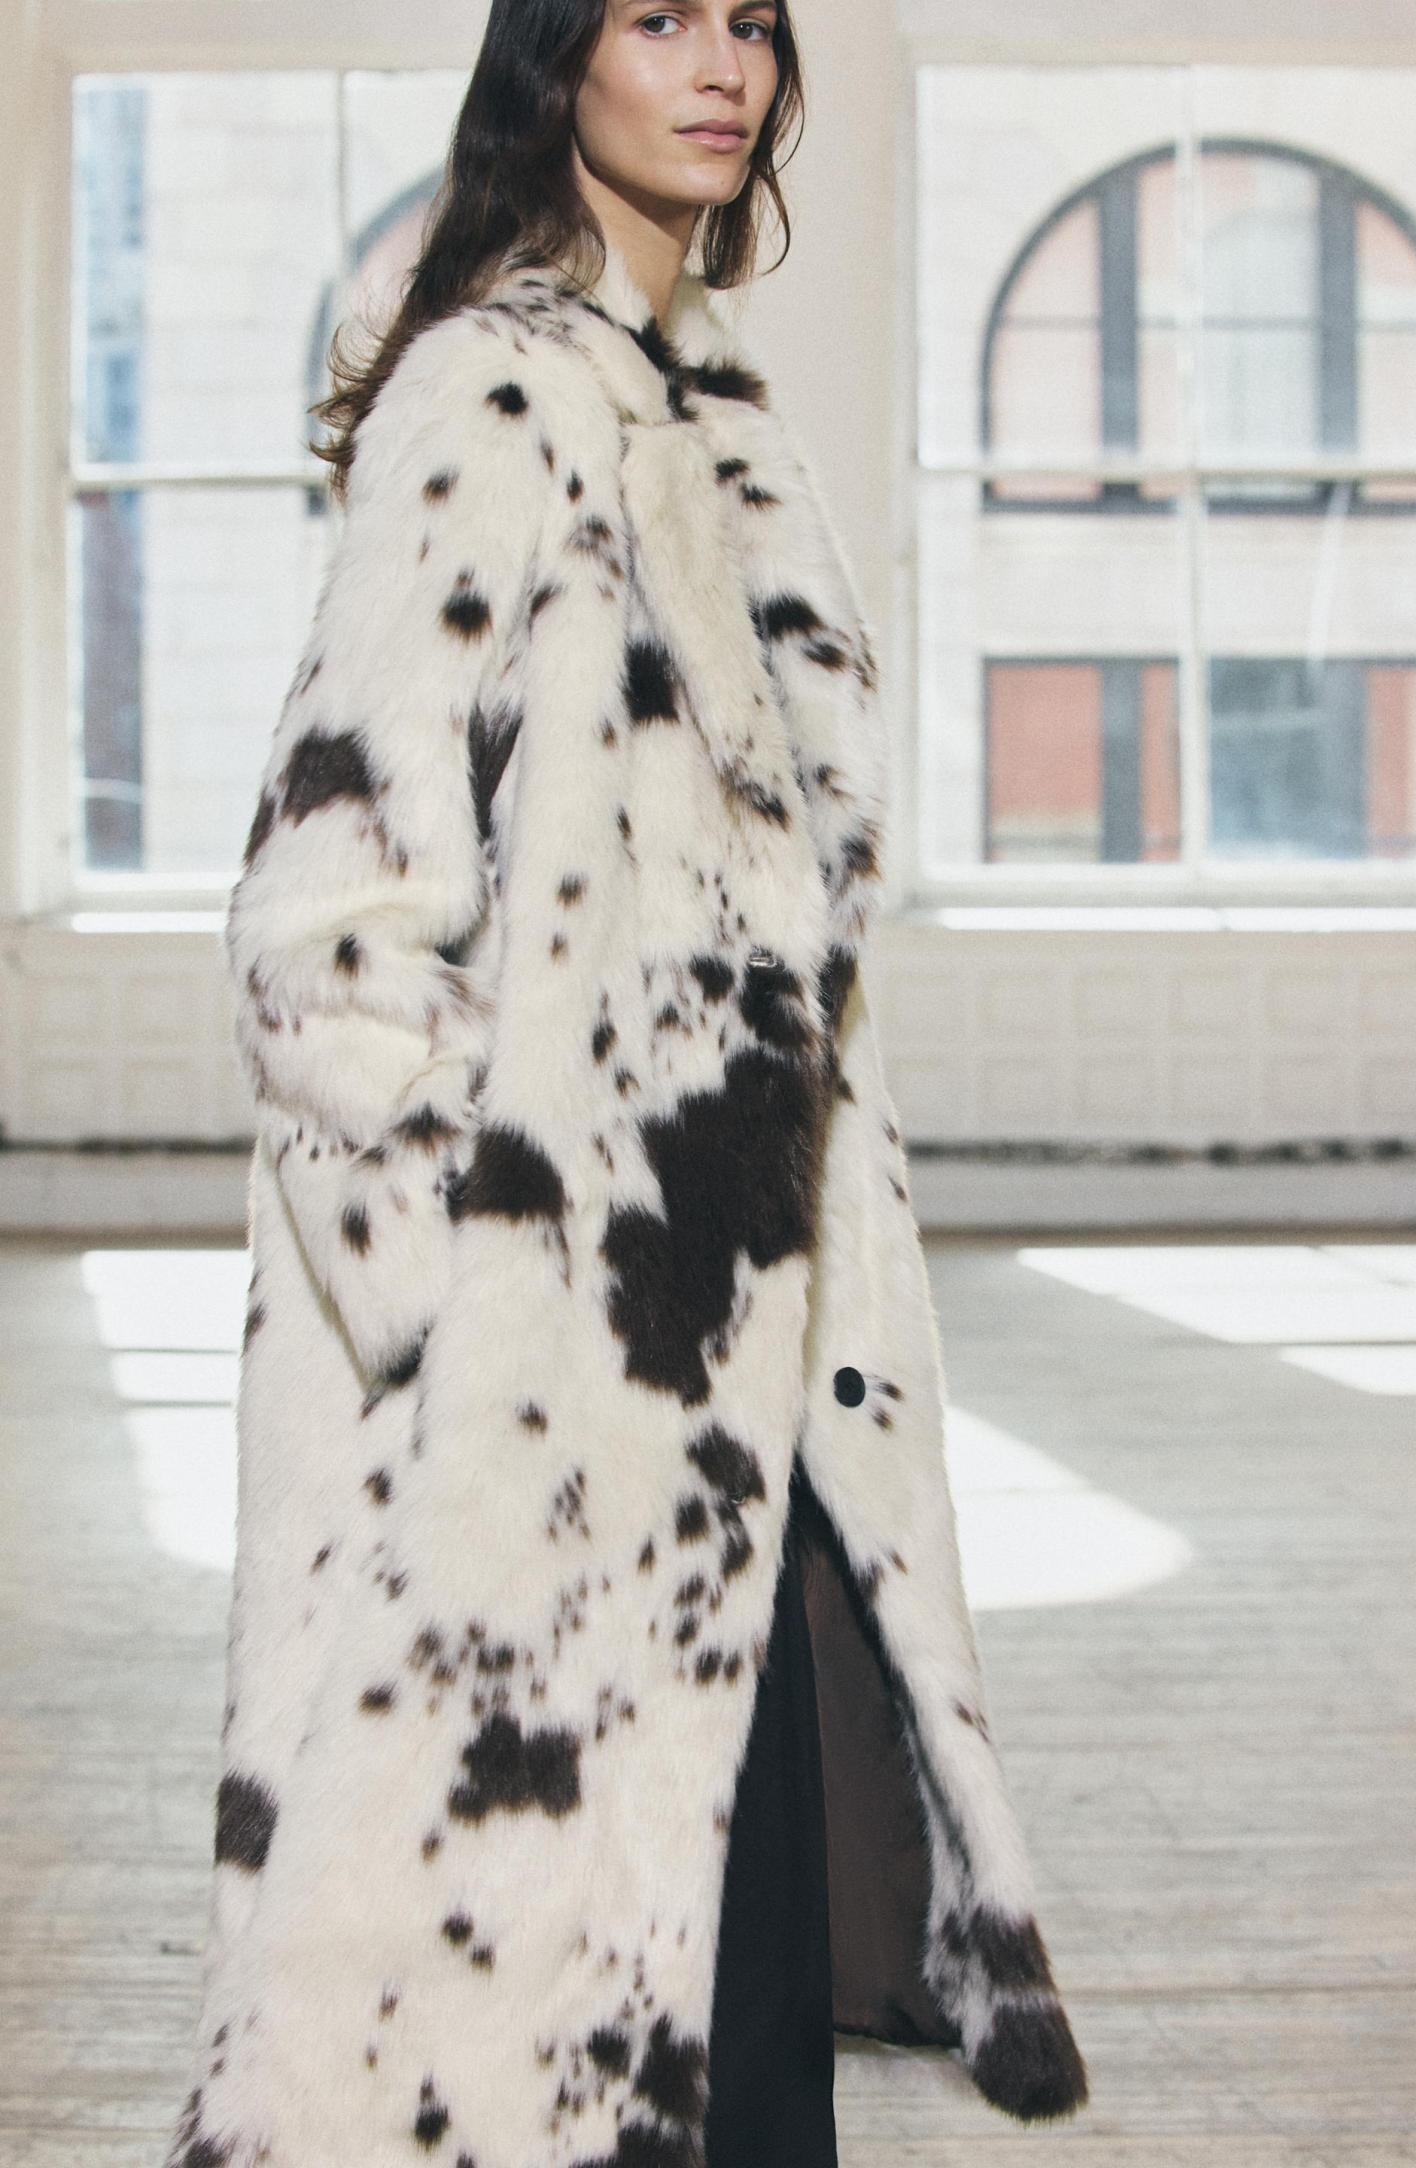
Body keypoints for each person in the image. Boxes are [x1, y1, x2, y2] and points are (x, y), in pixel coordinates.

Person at [161, 5, 1089, 2164]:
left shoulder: (716, 420)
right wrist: (489, 1336)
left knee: (717, 2016)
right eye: (658, 19)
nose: (723, 66)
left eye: (748, 21)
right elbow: (325, 928)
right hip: (564, 1405)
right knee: (532, 2038)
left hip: (742, 1375)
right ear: (553, 61)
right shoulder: (492, 397)